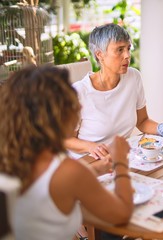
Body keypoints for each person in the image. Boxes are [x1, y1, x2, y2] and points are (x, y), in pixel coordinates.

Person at [0, 65, 134, 240]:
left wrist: (94, 170)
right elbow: (122, 214)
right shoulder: (69, 171)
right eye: (69, 101)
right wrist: (121, 161)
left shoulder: (12, 157)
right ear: (49, 114)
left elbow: (53, 189)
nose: (79, 106)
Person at [65, 23, 163, 163]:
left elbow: (142, 121)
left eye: (128, 48)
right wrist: (91, 147)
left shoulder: (133, 77)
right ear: (99, 54)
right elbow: (65, 139)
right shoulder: (79, 92)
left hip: (122, 159)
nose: (127, 56)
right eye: (119, 50)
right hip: (88, 163)